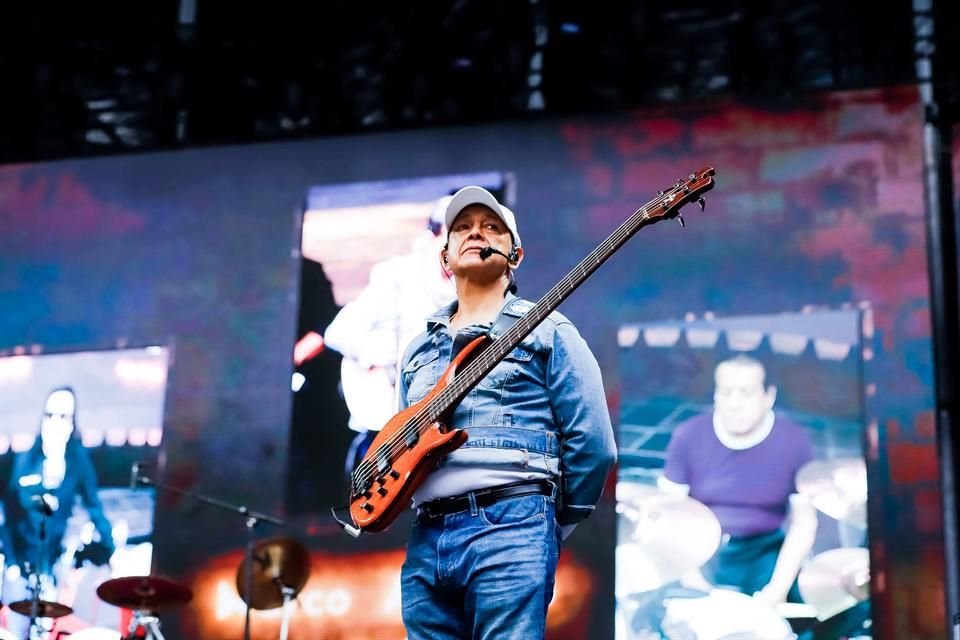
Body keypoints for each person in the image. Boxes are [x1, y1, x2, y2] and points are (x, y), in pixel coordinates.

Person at [396, 186, 618, 640]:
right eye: (463, 227)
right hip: (426, 536)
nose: (477, 233)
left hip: (513, 522)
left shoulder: (549, 330)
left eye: (491, 226)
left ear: (515, 253)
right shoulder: (417, 349)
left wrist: (548, 523)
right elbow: (404, 446)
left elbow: (593, 444)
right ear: (444, 258)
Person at [293, 196, 457, 475]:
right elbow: (338, 331)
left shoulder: (471, 289)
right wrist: (381, 355)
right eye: (456, 234)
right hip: (390, 417)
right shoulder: (398, 277)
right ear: (434, 235)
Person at [660, 355, 818, 604]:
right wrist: (690, 577)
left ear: (769, 397)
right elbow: (665, 515)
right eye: (726, 392)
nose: (734, 404)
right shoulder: (688, 435)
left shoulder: (795, 441)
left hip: (765, 551)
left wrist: (776, 590)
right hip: (699, 552)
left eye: (746, 393)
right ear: (716, 396)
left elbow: (803, 524)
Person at [2, 387, 115, 639]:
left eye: (64, 416)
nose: (55, 423)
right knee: (16, 627)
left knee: (49, 624)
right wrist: (11, 561)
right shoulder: (25, 460)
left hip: (55, 560)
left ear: (72, 423)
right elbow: (9, 516)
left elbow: (93, 506)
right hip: (20, 558)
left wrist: (111, 548)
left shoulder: (77, 461)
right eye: (50, 414)